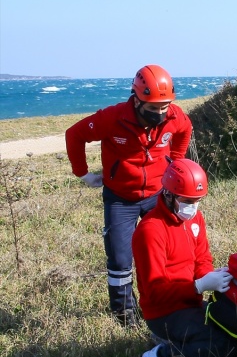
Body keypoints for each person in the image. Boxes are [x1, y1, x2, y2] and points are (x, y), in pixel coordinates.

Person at [65, 64, 193, 328]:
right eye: (152, 107)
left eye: (164, 106)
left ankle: (170, 304)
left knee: (168, 252)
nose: (159, 113)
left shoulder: (175, 116)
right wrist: (83, 173)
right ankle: (125, 316)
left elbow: (185, 130)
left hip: (158, 195)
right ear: (136, 99)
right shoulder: (112, 118)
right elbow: (74, 134)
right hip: (120, 198)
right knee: (121, 259)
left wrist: (176, 164)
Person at [132, 158, 237, 357]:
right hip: (164, 312)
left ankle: (179, 342)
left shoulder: (194, 218)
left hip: (191, 302)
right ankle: (163, 355)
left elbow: (202, 257)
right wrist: (198, 286)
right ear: (169, 194)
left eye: (198, 201)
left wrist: (210, 279)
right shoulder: (151, 230)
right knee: (223, 346)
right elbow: (155, 292)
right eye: (187, 201)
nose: (193, 207)